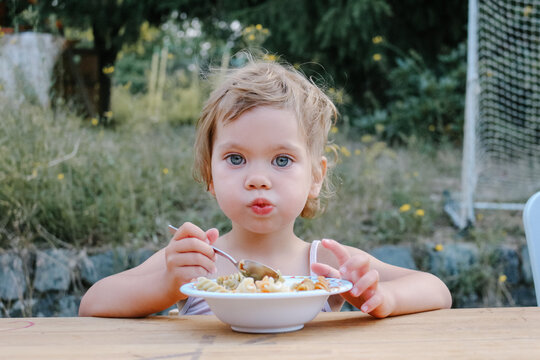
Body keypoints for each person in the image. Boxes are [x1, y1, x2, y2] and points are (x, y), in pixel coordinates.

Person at [79, 59, 452, 318]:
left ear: (315, 178)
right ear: (210, 175)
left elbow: (436, 290)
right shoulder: (196, 260)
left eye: (282, 160)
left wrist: (381, 296)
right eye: (236, 159)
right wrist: (167, 286)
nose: (258, 178)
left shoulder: (326, 263)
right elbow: (93, 303)